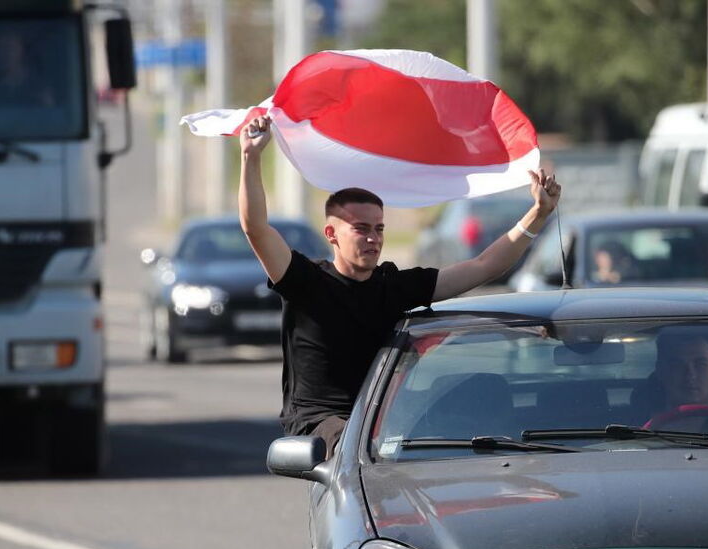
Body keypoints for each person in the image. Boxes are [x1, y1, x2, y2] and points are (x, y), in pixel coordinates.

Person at [238, 115, 561, 456]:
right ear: (331, 234)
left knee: (482, 391)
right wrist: (251, 156)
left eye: (379, 229)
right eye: (361, 228)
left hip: (385, 418)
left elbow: (484, 266)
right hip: (325, 424)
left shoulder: (394, 285)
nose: (373, 238)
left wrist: (538, 214)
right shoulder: (305, 281)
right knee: (359, 445)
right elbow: (255, 227)